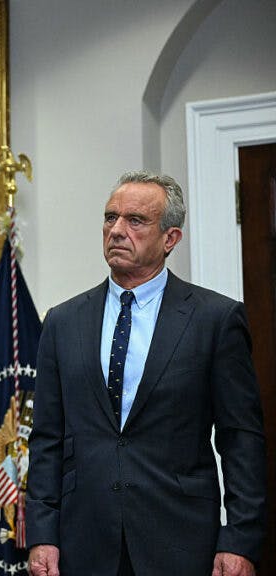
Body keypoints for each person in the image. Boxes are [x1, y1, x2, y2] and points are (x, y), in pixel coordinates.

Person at [26, 171, 266, 576]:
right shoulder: (62, 322)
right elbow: (47, 438)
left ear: (170, 238)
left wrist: (240, 539)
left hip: (181, 541)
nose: (117, 230)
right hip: (83, 543)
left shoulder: (215, 319)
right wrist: (42, 534)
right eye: (110, 217)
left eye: (135, 220)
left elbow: (240, 438)